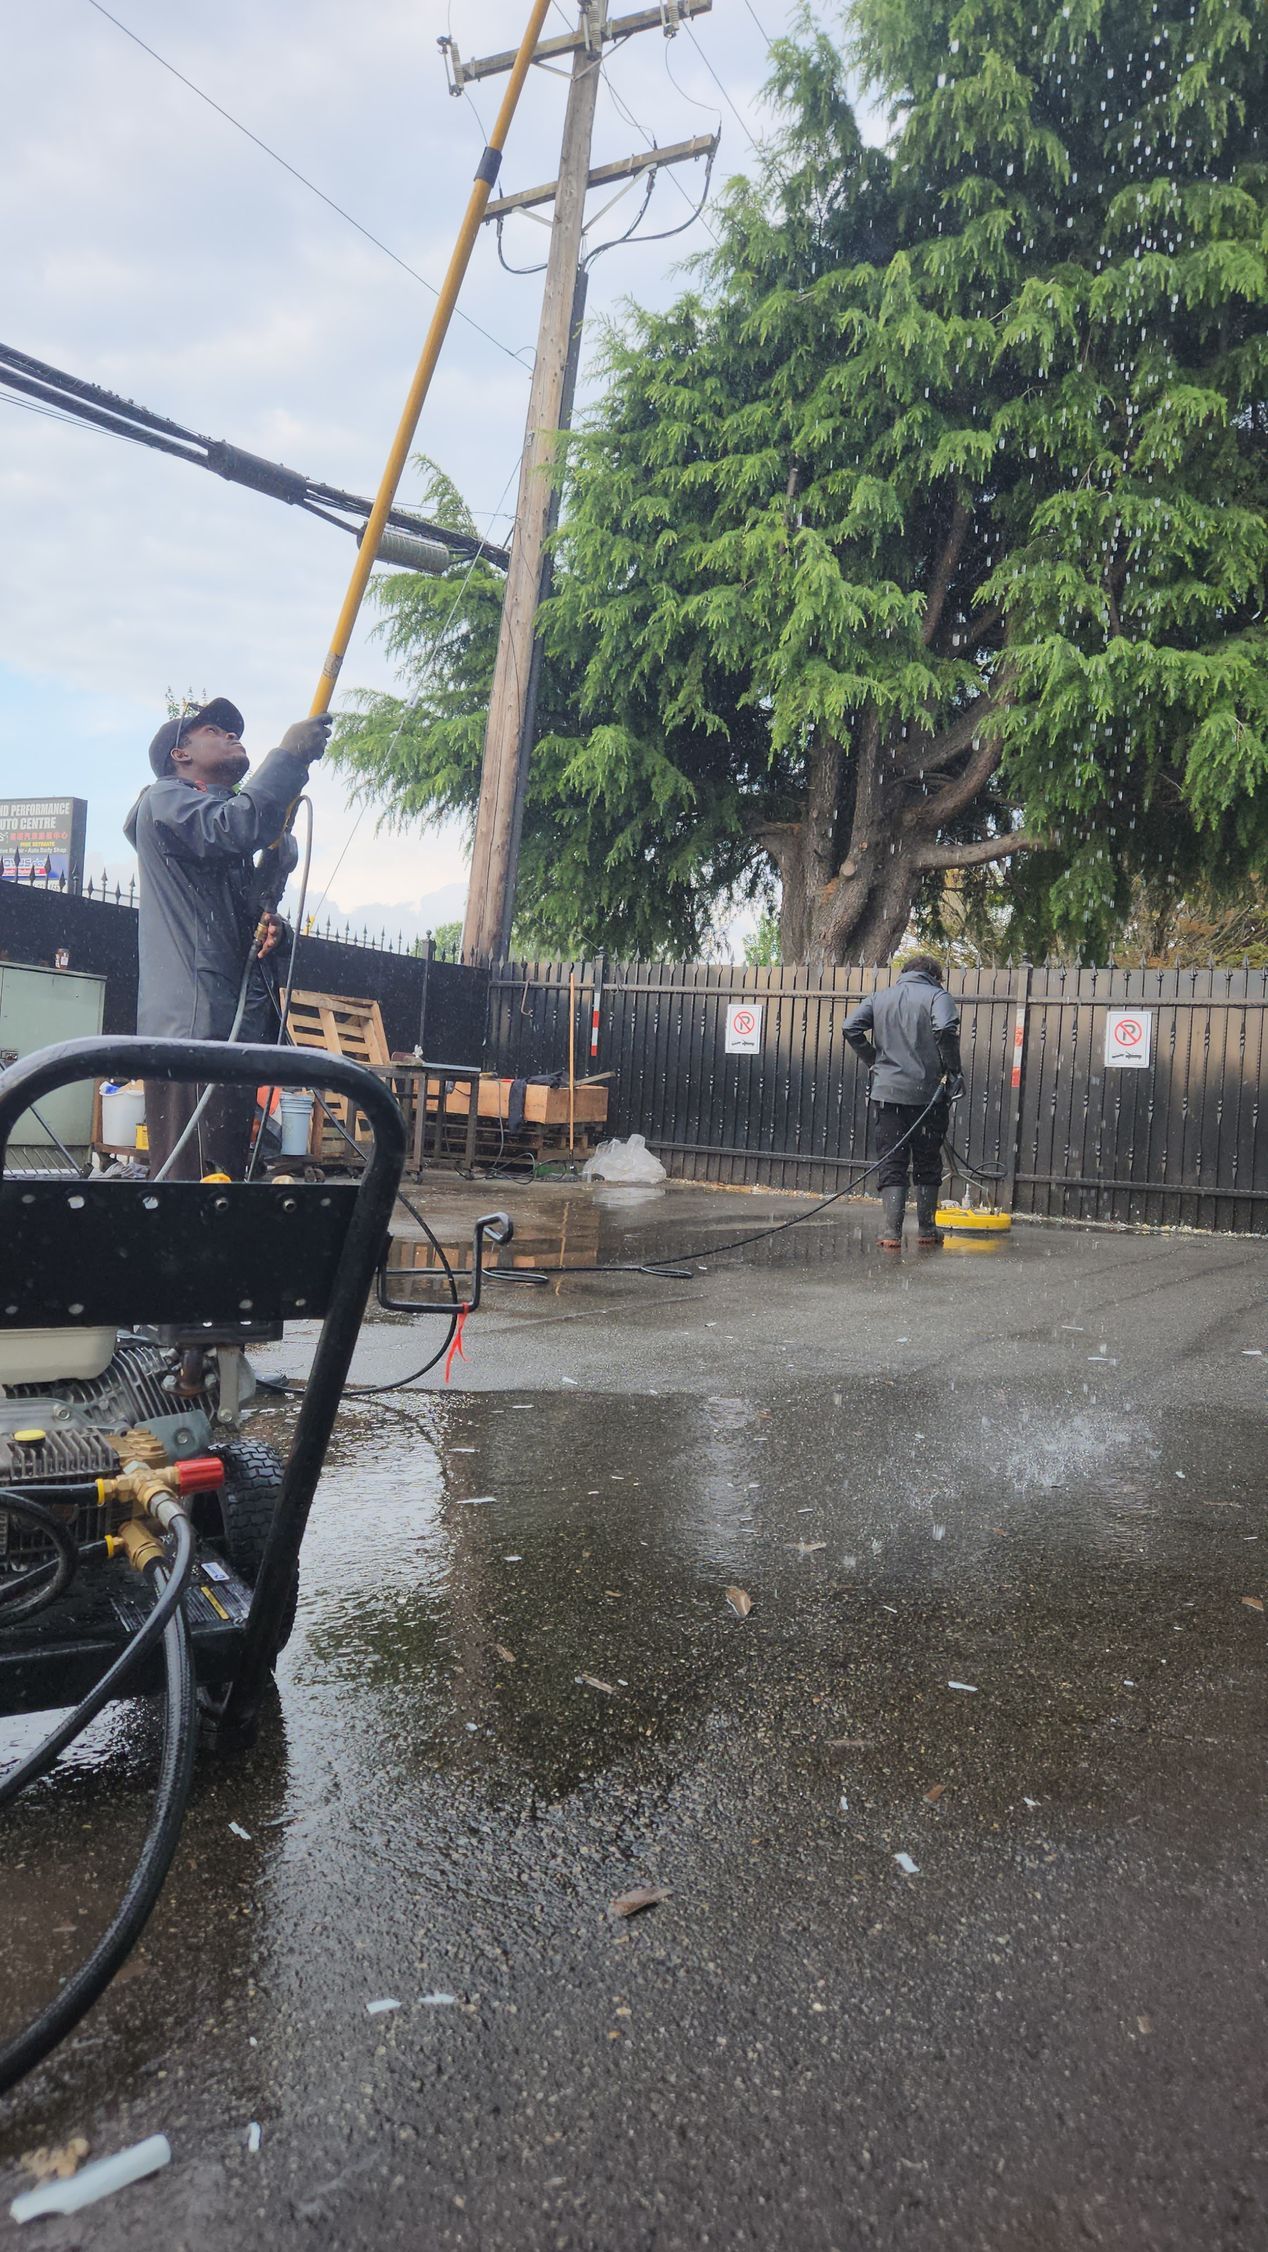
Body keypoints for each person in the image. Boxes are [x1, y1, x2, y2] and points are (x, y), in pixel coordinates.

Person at [123, 696, 332, 1179]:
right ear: (180, 754)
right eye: (214, 730)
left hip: (225, 1027)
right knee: (194, 1180)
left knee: (221, 1176)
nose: (232, 734)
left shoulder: (210, 840)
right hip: (190, 1031)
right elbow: (237, 825)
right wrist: (288, 757)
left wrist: (272, 931)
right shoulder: (164, 798)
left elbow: (242, 926)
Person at [843, 953, 964, 1250]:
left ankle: (890, 1233)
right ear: (936, 976)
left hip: (888, 1096)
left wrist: (876, 1062)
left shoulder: (880, 997)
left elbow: (850, 1027)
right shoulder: (938, 996)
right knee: (927, 1160)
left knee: (892, 1160)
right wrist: (953, 1070)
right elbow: (946, 1029)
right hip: (928, 1096)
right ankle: (926, 1230)